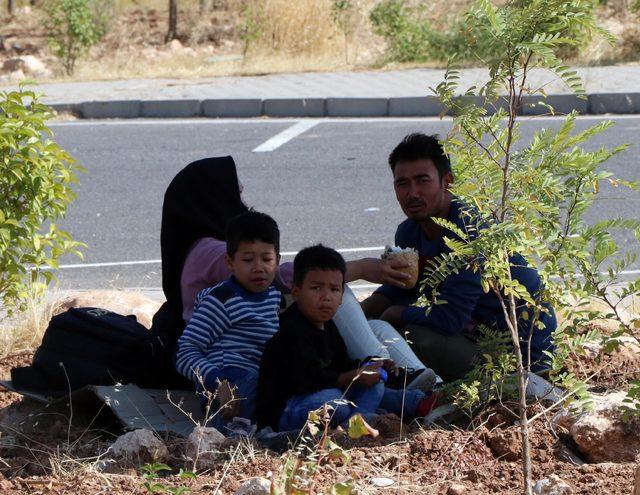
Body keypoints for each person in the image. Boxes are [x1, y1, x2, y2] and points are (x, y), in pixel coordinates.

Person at [166, 156, 436, 385]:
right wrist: (362, 268)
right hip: (240, 365)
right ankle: (390, 378)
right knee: (329, 290)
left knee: (374, 325)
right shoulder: (211, 251)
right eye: (238, 194)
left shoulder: (206, 246)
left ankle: (429, 384)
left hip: (264, 341)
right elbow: (285, 276)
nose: (245, 203)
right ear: (214, 198)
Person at [361, 133, 556, 382]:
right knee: (378, 329)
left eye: (422, 181)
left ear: (447, 182)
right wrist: (359, 312)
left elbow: (449, 318)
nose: (413, 193)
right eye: (403, 183)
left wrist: (394, 314)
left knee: (411, 336)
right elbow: (404, 288)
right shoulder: (409, 231)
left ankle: (433, 391)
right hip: (471, 336)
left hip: (521, 357)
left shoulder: (470, 232)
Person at [255, 245, 439, 432]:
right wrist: (352, 376)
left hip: (329, 392)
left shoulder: (328, 327)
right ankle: (357, 424)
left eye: (334, 289)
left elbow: (342, 364)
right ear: (296, 291)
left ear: (342, 296)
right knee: (335, 403)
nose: (326, 297)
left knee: (375, 384)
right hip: (287, 410)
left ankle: (418, 404)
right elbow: (307, 379)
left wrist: (372, 365)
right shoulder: (291, 331)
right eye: (316, 288)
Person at [175, 211, 282, 427]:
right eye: (248, 259)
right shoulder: (221, 300)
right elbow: (185, 351)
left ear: (278, 260)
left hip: (259, 379)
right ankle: (243, 434)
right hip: (228, 386)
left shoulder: (274, 296)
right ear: (230, 262)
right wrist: (216, 382)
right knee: (260, 387)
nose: (258, 267)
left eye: (267, 259)